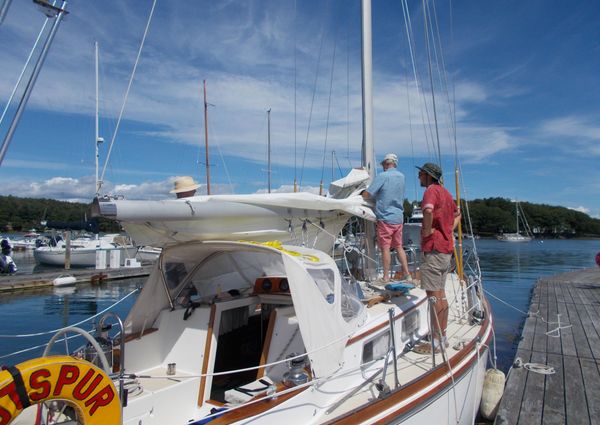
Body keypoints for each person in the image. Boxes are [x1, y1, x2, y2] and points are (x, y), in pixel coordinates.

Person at [413, 162, 460, 354]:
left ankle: (435, 342)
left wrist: (426, 231)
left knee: (433, 296)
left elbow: (429, 210)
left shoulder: (431, 190)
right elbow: (458, 214)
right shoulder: (446, 193)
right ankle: (442, 337)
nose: (418, 178)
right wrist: (448, 229)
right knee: (441, 294)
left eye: (420, 174)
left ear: (427, 175)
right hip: (446, 248)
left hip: (434, 248)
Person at [362, 153, 411, 284]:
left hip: (385, 217)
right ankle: (407, 274)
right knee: (399, 246)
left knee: (385, 248)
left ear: (387, 163)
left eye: (383, 164)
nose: (383, 166)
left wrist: (362, 192)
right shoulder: (402, 177)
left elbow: (368, 194)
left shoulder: (382, 176)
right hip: (398, 217)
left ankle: (385, 277)